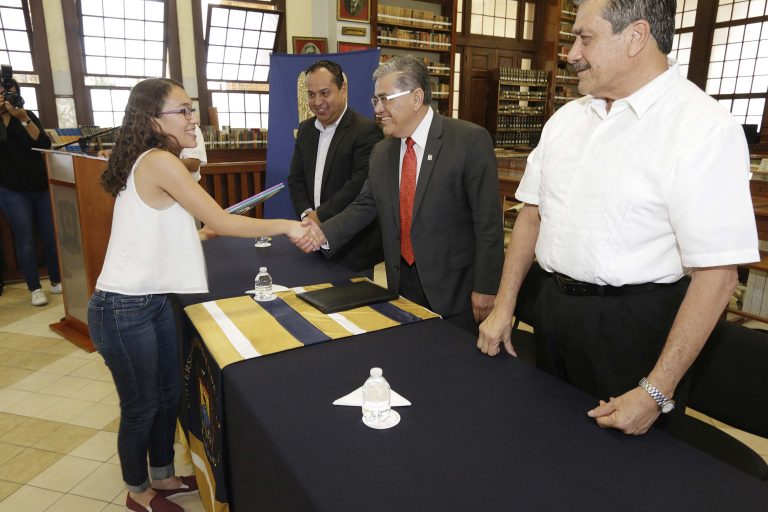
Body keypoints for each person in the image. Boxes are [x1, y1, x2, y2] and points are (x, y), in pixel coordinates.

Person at [477, 0, 759, 436]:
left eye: (584, 38)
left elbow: (719, 275)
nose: (571, 53)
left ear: (636, 36)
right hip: (552, 307)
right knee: (543, 439)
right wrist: (505, 305)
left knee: (622, 477)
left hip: (634, 329)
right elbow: (532, 215)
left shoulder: (703, 128)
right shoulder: (566, 120)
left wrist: (657, 391)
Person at [87, 78, 314, 512]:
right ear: (154, 120)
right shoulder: (158, 160)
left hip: (151, 300)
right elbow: (225, 221)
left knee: (169, 395)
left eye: (193, 110)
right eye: (184, 111)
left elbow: (158, 223)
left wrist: (199, 234)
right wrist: (286, 225)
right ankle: (138, 491)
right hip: (122, 307)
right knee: (140, 407)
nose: (195, 119)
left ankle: (163, 475)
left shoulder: (156, 160)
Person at [298, 55, 504, 335]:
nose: (378, 109)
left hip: (455, 290)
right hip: (401, 284)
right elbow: (366, 204)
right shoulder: (383, 151)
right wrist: (322, 233)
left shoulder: (469, 141)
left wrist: (487, 287)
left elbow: (488, 223)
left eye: (385, 99)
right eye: (375, 101)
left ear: (416, 98)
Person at [287, 60, 384, 273]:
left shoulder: (366, 131)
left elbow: (358, 185)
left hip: (352, 248)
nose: (317, 101)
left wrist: (319, 216)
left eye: (324, 93)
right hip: (311, 241)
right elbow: (296, 179)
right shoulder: (305, 130)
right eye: (311, 94)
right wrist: (306, 217)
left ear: (343, 89)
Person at [0, 78, 60, 306]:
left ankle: (55, 281)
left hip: (40, 185)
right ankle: (35, 288)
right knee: (24, 240)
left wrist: (23, 118)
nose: (7, 97)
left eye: (11, 93)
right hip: (11, 189)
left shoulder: (26, 116)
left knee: (50, 237)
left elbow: (44, 144)